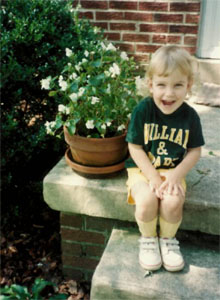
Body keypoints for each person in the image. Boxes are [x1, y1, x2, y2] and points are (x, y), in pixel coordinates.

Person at [125, 45, 205, 272]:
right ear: (150, 84)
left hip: (172, 170)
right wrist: (152, 177)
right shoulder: (143, 110)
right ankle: (148, 239)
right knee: (147, 200)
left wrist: (176, 175)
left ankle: (168, 240)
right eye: (162, 85)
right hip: (142, 170)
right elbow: (135, 147)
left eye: (178, 85)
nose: (169, 94)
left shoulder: (190, 116)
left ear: (188, 86)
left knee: (172, 201)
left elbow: (194, 151)